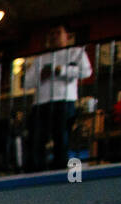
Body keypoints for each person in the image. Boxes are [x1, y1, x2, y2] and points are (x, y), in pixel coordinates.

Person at [24, 25, 93, 171]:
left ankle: (60, 169)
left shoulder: (76, 52)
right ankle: (36, 171)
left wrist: (61, 70)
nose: (54, 36)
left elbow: (86, 71)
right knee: (37, 138)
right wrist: (41, 76)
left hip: (64, 100)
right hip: (40, 103)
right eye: (51, 33)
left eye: (58, 33)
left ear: (67, 36)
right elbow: (26, 82)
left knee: (61, 136)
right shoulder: (40, 59)